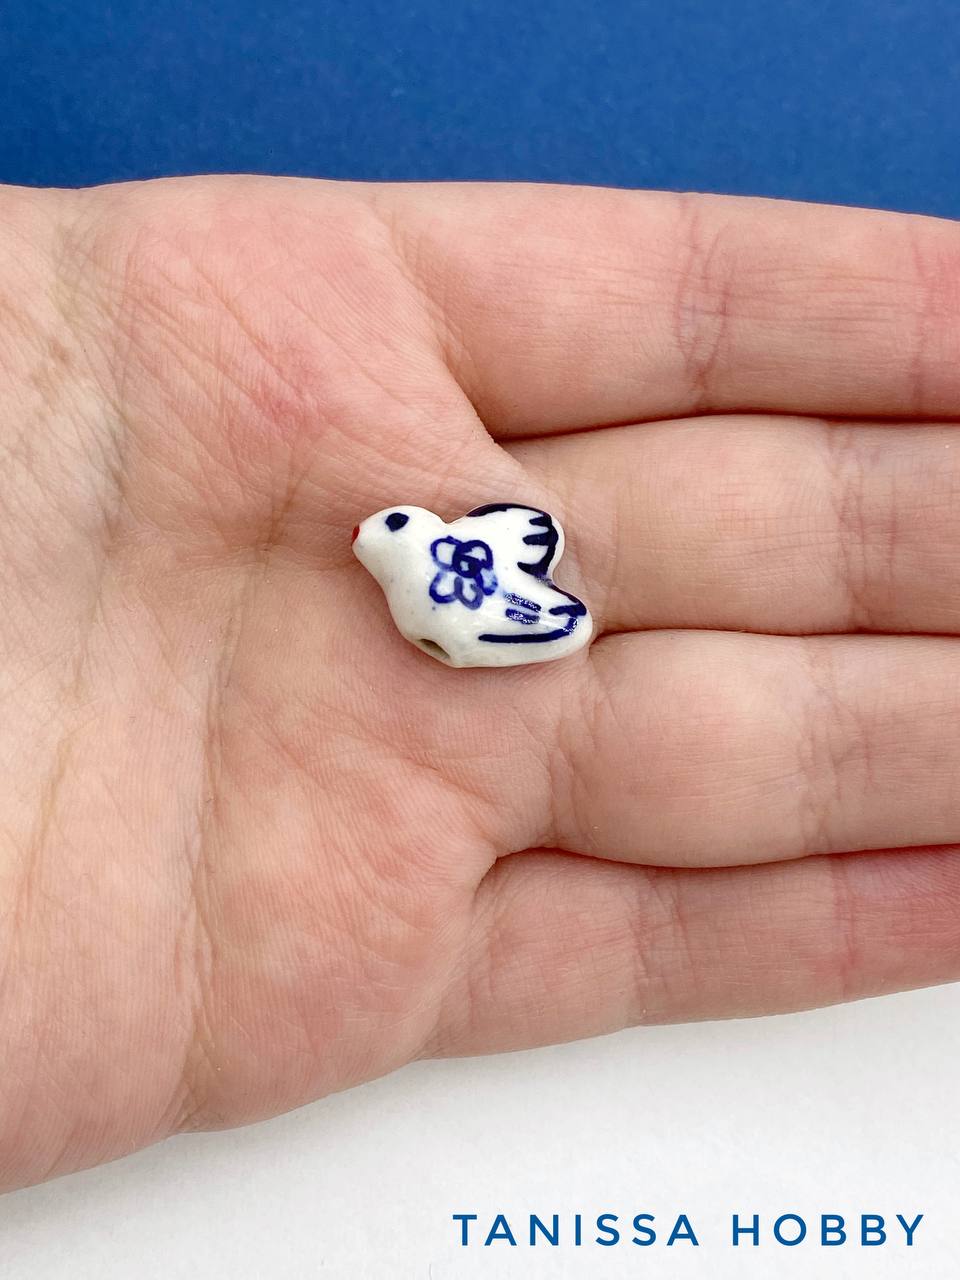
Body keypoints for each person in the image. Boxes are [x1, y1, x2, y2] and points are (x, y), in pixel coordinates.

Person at [1, 175, 958, 1193]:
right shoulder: (429, 589)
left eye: (388, 529)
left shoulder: (448, 574)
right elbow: (512, 553)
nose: (373, 536)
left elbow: (520, 545)